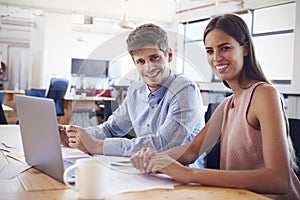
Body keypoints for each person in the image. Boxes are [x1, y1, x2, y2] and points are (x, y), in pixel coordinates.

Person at [130, 14, 300, 199]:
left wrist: (189, 174)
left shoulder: (264, 94)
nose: (216, 58)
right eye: (210, 51)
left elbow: (279, 180)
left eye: (224, 48)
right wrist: (152, 158)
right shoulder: (228, 104)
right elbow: (192, 151)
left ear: (245, 49)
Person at [59, 23, 206, 167]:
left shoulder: (185, 89)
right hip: (143, 172)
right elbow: (111, 129)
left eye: (155, 58)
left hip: (183, 179)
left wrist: (98, 146)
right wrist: (74, 136)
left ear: (169, 55)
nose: (149, 67)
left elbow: (164, 144)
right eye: (141, 61)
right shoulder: (136, 90)